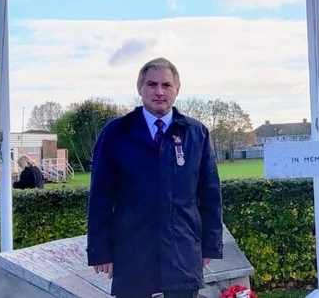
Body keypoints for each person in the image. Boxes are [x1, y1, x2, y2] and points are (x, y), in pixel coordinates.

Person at [87, 57, 223, 298]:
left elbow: (210, 194)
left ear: (177, 90)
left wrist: (210, 245)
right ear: (140, 88)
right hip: (132, 251)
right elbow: (100, 196)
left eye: (166, 85)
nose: (159, 92)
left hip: (182, 252)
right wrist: (101, 251)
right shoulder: (117, 132)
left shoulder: (196, 133)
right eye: (151, 84)